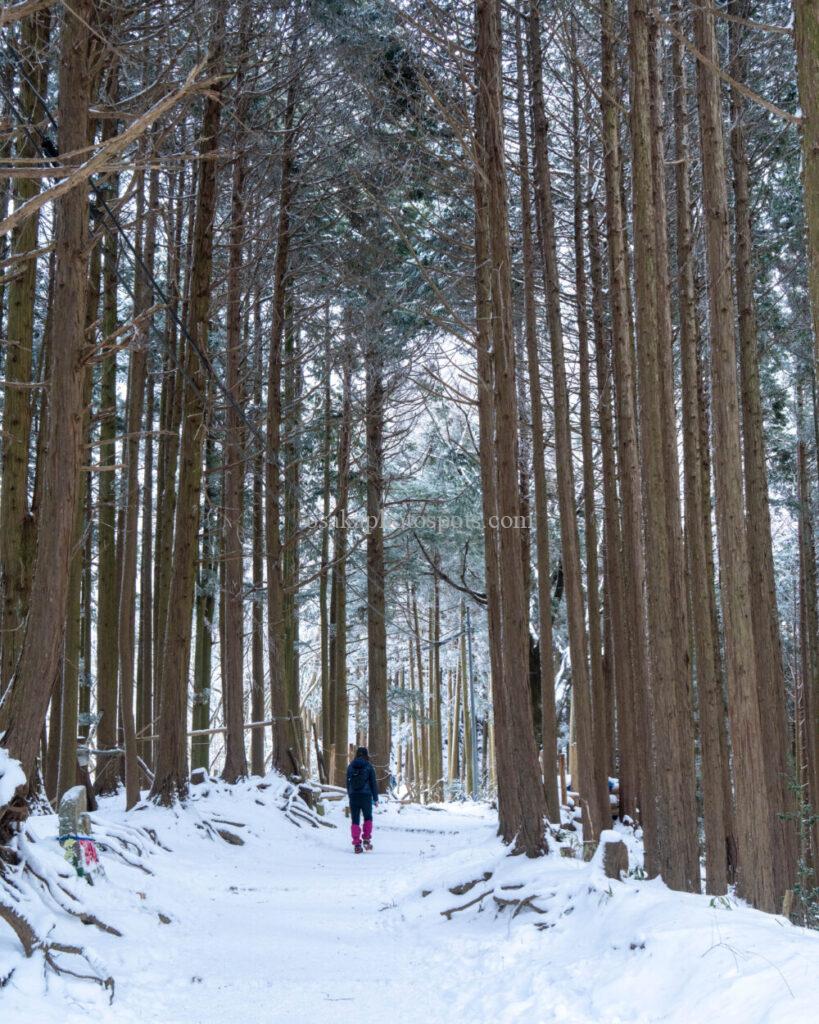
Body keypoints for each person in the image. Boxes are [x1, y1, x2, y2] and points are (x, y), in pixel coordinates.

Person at [346, 746, 379, 853]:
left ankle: (356, 844)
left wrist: (350, 794)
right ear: (366, 755)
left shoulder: (350, 766)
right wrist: (375, 798)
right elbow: (373, 783)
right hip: (366, 796)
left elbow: (347, 782)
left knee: (355, 819)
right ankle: (366, 839)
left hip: (353, 796)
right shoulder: (369, 766)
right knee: (368, 817)